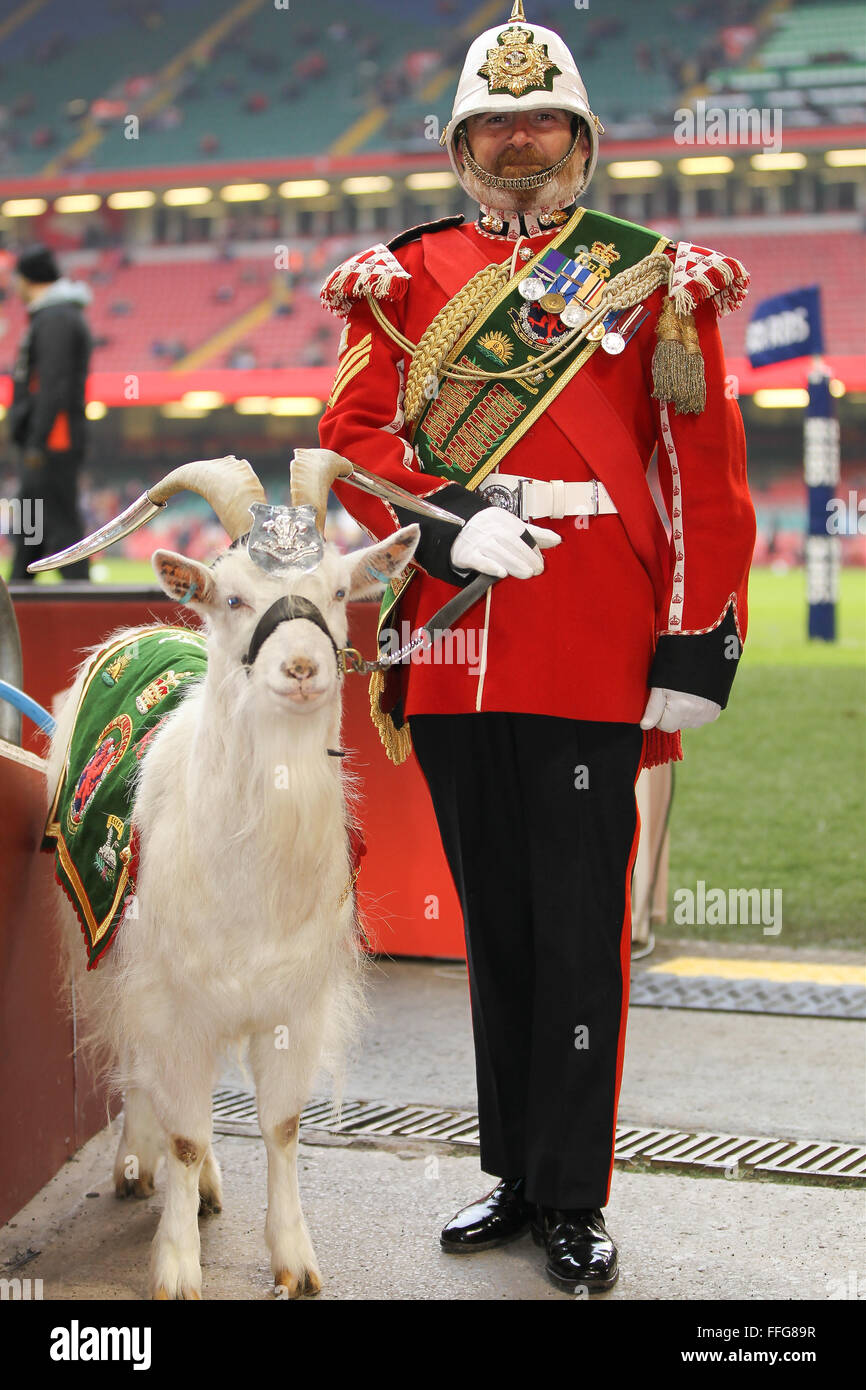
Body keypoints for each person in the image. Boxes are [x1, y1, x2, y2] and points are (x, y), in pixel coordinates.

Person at [317, 0, 755, 1294]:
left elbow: (704, 475)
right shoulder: (405, 276)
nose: (516, 143)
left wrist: (693, 643)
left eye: (539, 122)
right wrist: (453, 531)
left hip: (587, 654)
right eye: (491, 123)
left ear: (580, 137)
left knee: (576, 933)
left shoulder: (646, 273)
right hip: (453, 653)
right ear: (461, 143)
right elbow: (347, 443)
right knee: (494, 928)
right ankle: (511, 1170)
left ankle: (574, 1194)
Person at [8, 244, 92, 581]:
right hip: (41, 446)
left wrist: (37, 443)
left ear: (29, 279)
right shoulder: (52, 316)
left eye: (16, 278)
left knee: (62, 530)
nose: (13, 286)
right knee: (31, 529)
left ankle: (82, 611)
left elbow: (52, 384)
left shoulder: (57, 318)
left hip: (50, 446)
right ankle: (17, 600)